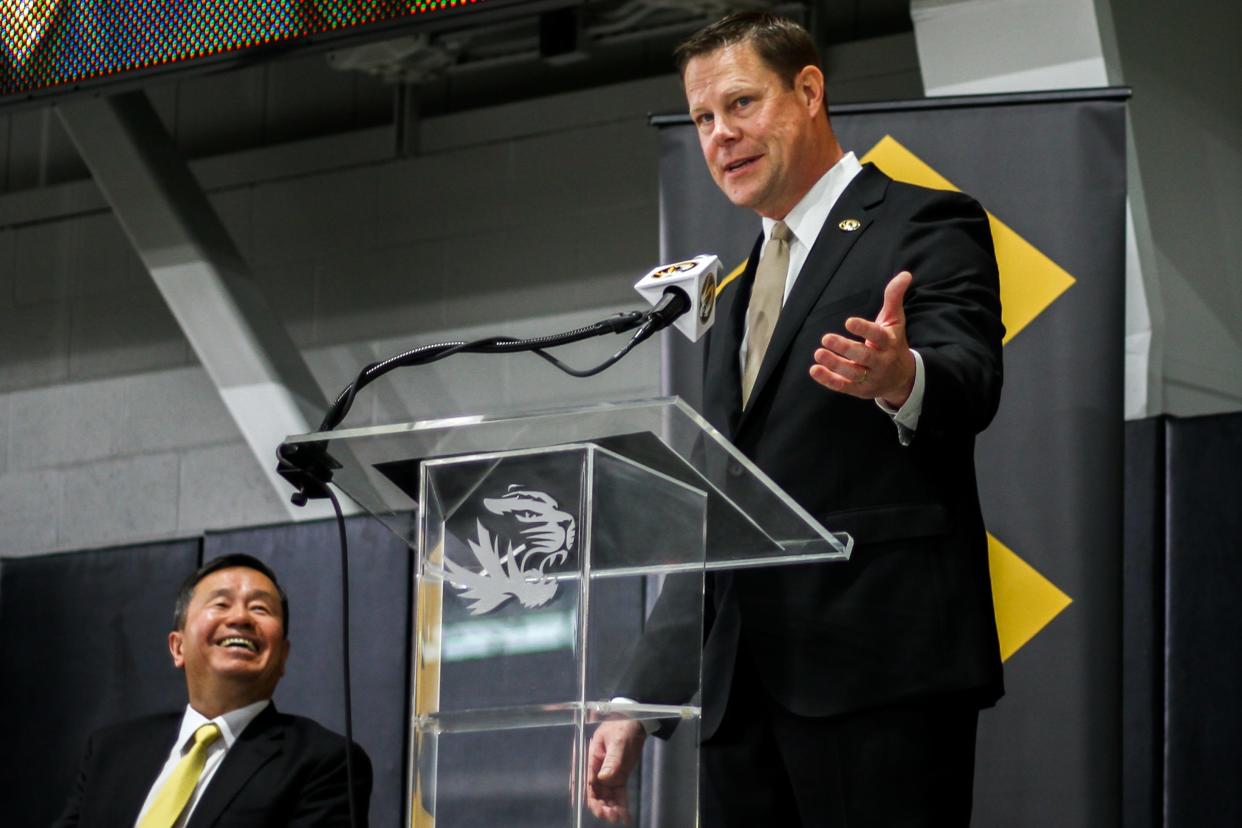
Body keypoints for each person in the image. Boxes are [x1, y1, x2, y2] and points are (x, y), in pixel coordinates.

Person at [586, 12, 1005, 827]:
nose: (720, 136)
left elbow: (971, 379)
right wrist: (641, 692)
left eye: (741, 104)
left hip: (877, 673)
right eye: (704, 118)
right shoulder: (735, 294)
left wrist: (900, 376)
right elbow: (721, 504)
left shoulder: (922, 221)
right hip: (743, 698)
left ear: (808, 90)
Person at [55, 554, 372, 827]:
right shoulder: (111, 751)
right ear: (177, 648)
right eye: (220, 603)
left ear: (283, 656)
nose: (240, 618)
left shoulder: (324, 761)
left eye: (260, 609)